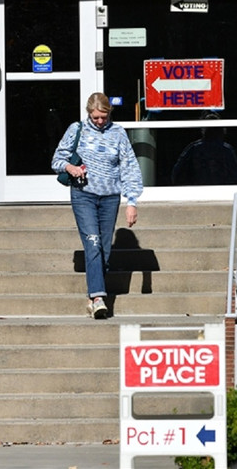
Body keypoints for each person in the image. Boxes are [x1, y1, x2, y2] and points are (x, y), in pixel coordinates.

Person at [51, 92, 143, 319]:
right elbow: (57, 160)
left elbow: (129, 167)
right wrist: (71, 168)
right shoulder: (77, 130)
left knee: (104, 248)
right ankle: (98, 298)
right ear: (88, 114)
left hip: (110, 197)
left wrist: (131, 202)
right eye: (95, 118)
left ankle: (94, 294)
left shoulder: (118, 133)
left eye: (103, 117)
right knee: (92, 244)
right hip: (84, 195)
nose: (100, 122)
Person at [171, 112, 237, 185]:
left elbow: (177, 172)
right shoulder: (226, 150)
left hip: (213, 190)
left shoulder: (194, 148)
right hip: (207, 190)